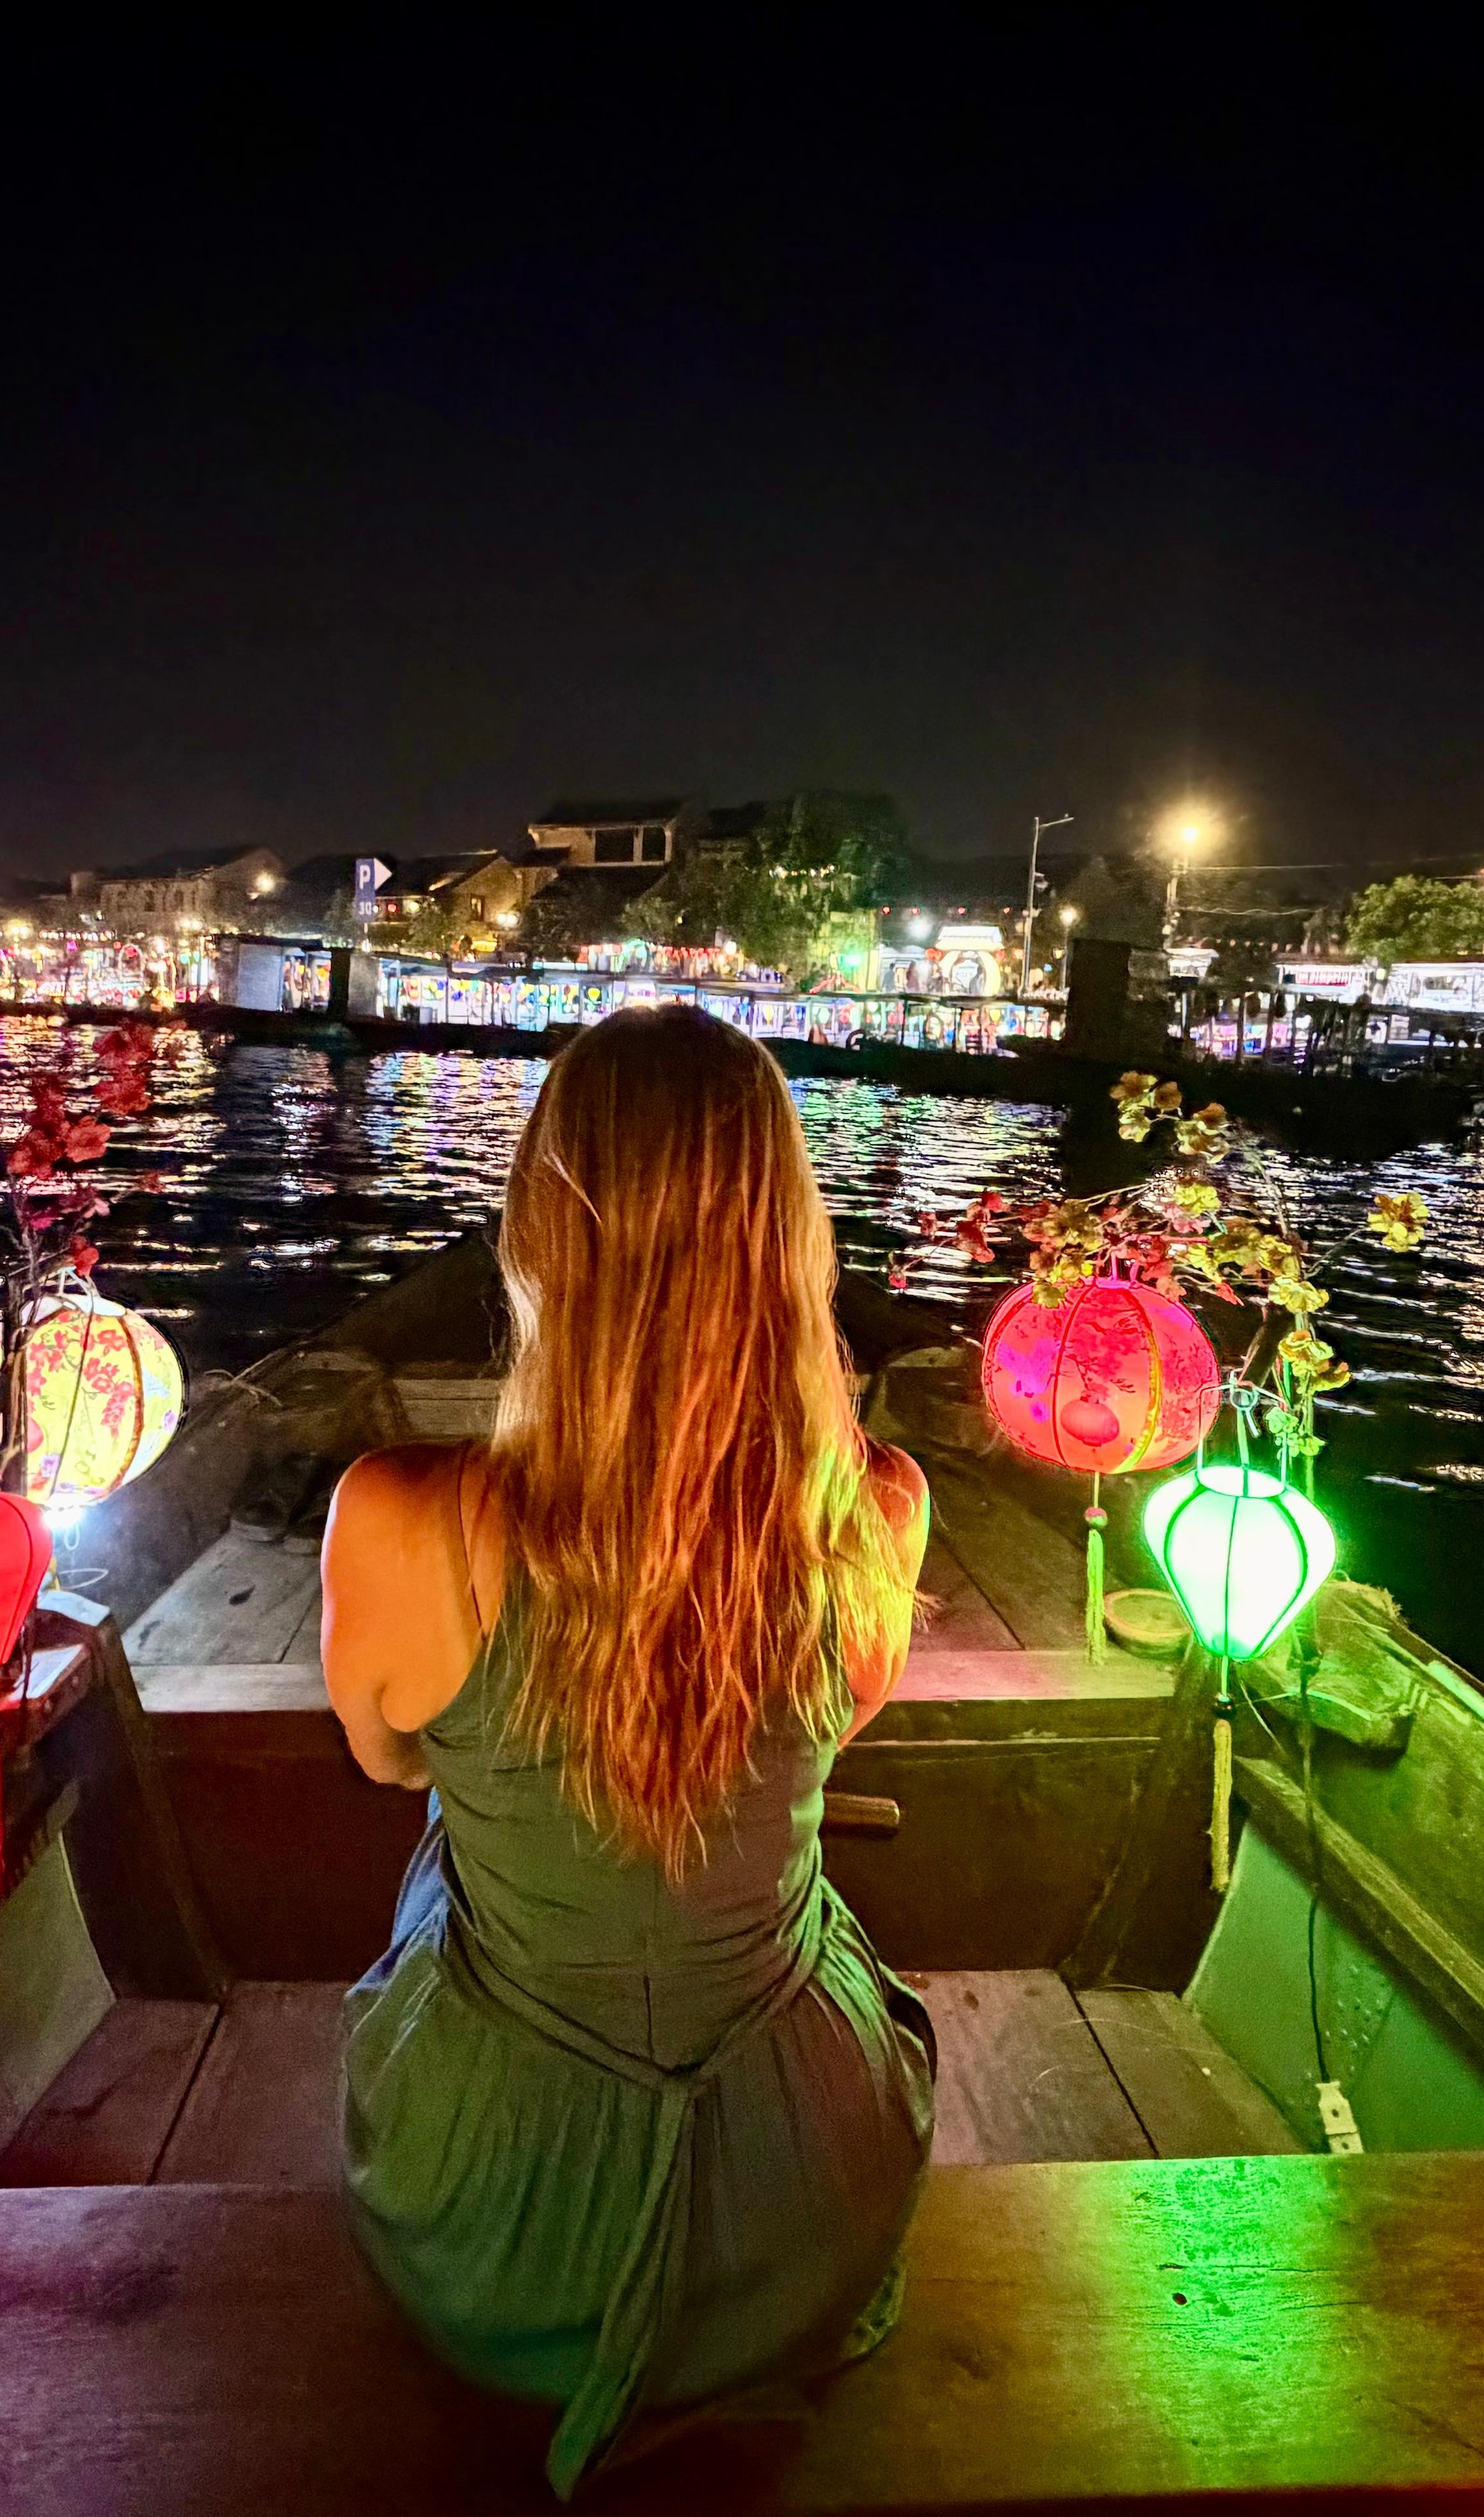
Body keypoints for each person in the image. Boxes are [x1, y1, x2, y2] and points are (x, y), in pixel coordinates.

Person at [321, 1004, 934, 2496]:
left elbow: (390, 1767)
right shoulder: (880, 1512)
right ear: (788, 1240)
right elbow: (819, 1745)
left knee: (446, 1855)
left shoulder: (400, 1518)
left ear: (541, 1228)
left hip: (495, 2218)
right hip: (806, 2192)